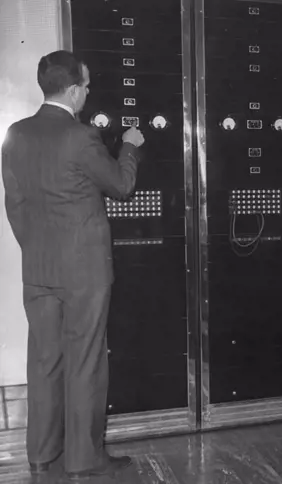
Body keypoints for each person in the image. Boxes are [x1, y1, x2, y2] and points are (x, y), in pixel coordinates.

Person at [1, 50, 145, 480]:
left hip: (39, 269)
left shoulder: (15, 135)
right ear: (73, 90)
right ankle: (84, 458)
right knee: (85, 361)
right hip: (83, 273)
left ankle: (41, 456)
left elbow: (15, 205)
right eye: (86, 85)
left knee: (44, 362)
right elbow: (120, 186)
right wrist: (130, 148)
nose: (88, 91)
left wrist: (37, 250)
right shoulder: (81, 137)